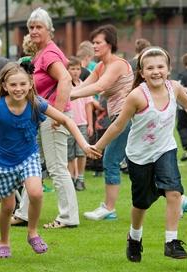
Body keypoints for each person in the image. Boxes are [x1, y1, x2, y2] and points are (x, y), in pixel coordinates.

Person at [92, 47, 187, 262]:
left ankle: (171, 242)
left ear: (168, 69)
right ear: (142, 72)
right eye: (150, 68)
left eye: (160, 67)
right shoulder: (136, 96)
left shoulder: (174, 88)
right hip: (139, 156)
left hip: (165, 150)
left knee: (174, 192)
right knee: (141, 204)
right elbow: (118, 125)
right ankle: (134, 238)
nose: (156, 71)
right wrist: (99, 146)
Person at [0, 62, 99, 258]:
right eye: (13, 85)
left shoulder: (36, 104)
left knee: (36, 193)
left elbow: (66, 120)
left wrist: (83, 144)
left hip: (28, 157)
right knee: (7, 207)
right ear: (5, 86)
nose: (18, 89)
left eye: (23, 84)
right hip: (2, 162)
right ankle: (4, 241)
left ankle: (32, 233)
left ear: (30, 84)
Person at [11, 8, 82, 229]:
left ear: (49, 30)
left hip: (53, 117)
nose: (33, 31)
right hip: (43, 117)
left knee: (57, 167)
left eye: (38, 27)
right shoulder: (40, 53)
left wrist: (58, 114)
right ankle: (23, 212)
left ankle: (68, 216)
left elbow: (65, 79)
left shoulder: (49, 53)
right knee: (32, 164)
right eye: (31, 27)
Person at [71, 24, 134, 221]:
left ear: (110, 44)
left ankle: (109, 208)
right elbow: (85, 85)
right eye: (94, 42)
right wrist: (64, 94)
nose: (95, 46)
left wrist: (68, 97)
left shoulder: (117, 64)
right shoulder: (100, 66)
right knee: (144, 160)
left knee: (111, 160)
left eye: (98, 43)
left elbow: (100, 86)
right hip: (119, 118)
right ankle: (179, 197)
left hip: (128, 118)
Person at [67, 57, 94, 191]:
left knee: (82, 152)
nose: (75, 72)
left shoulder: (84, 85)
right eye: (72, 69)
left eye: (78, 69)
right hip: (68, 124)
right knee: (70, 154)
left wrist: (90, 124)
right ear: (67, 70)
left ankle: (81, 178)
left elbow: (89, 105)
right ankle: (72, 177)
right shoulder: (64, 85)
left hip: (82, 123)